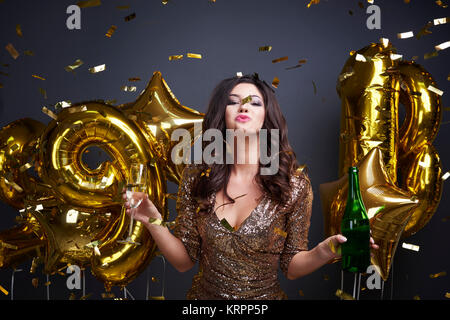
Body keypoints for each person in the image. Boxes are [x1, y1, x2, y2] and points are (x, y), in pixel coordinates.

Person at [122, 73, 378, 299]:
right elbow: (184, 261)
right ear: (222, 115)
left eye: (254, 102)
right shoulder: (197, 176)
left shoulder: (294, 185)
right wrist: (152, 219)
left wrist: (326, 250)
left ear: (267, 117)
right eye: (233, 101)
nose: (243, 106)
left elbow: (291, 267)